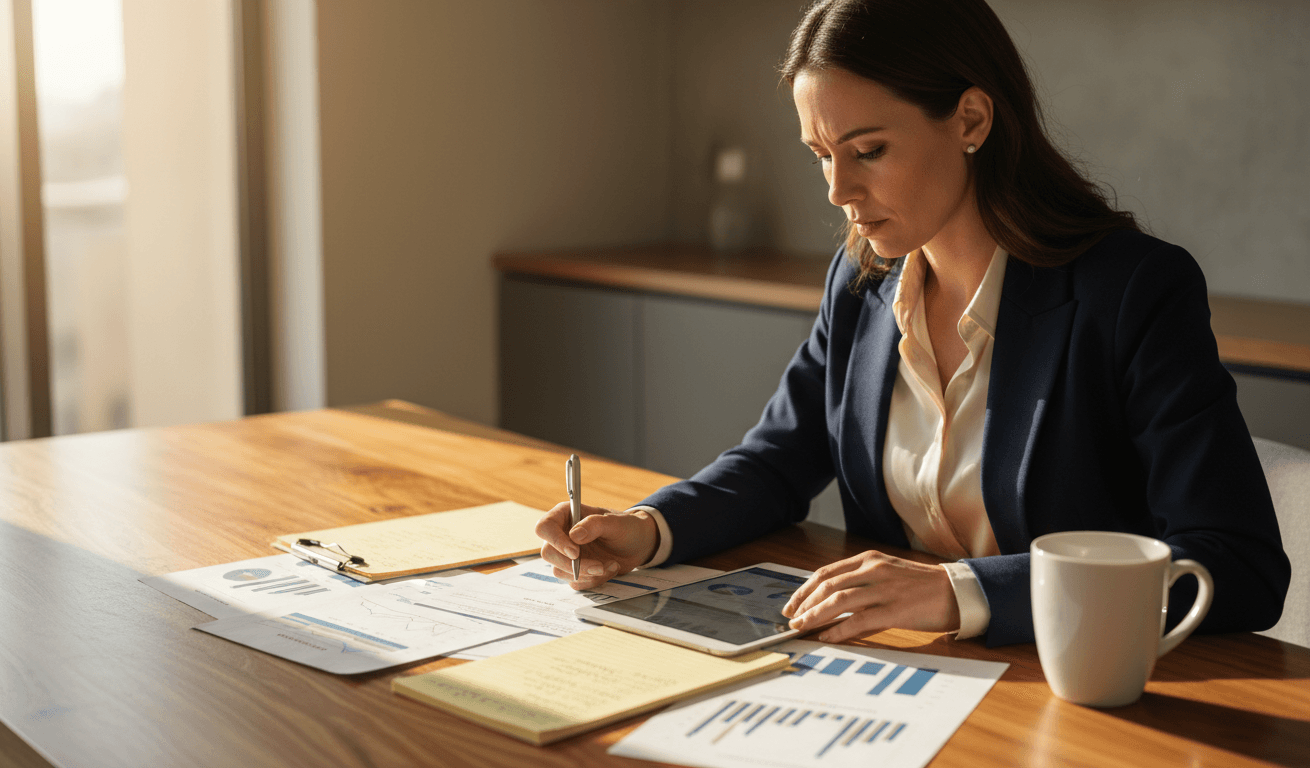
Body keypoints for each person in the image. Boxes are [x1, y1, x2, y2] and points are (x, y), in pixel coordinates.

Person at [534, 0, 1290, 647]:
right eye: (820, 156)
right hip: (904, 673)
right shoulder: (862, 282)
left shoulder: (1130, 291)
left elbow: (1236, 564)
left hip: (1075, 694)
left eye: (867, 150)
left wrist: (960, 591)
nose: (838, 190)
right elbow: (777, 460)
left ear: (970, 118)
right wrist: (649, 528)